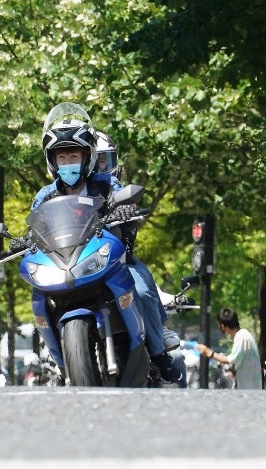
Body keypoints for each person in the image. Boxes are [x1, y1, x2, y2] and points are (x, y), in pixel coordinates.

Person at [29, 105, 182, 385]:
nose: (68, 162)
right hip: (65, 264)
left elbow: (129, 204)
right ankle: (55, 357)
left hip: (110, 260)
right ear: (52, 161)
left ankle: (159, 354)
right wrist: (24, 240)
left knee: (144, 290)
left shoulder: (107, 184)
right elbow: (35, 228)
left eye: (73, 155)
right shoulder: (44, 196)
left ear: (87, 156)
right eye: (61, 156)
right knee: (37, 298)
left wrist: (126, 213)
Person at [195, 307, 262, 390]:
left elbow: (231, 359)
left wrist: (210, 353)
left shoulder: (241, 336)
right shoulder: (243, 335)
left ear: (222, 326)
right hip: (250, 387)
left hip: (250, 389)